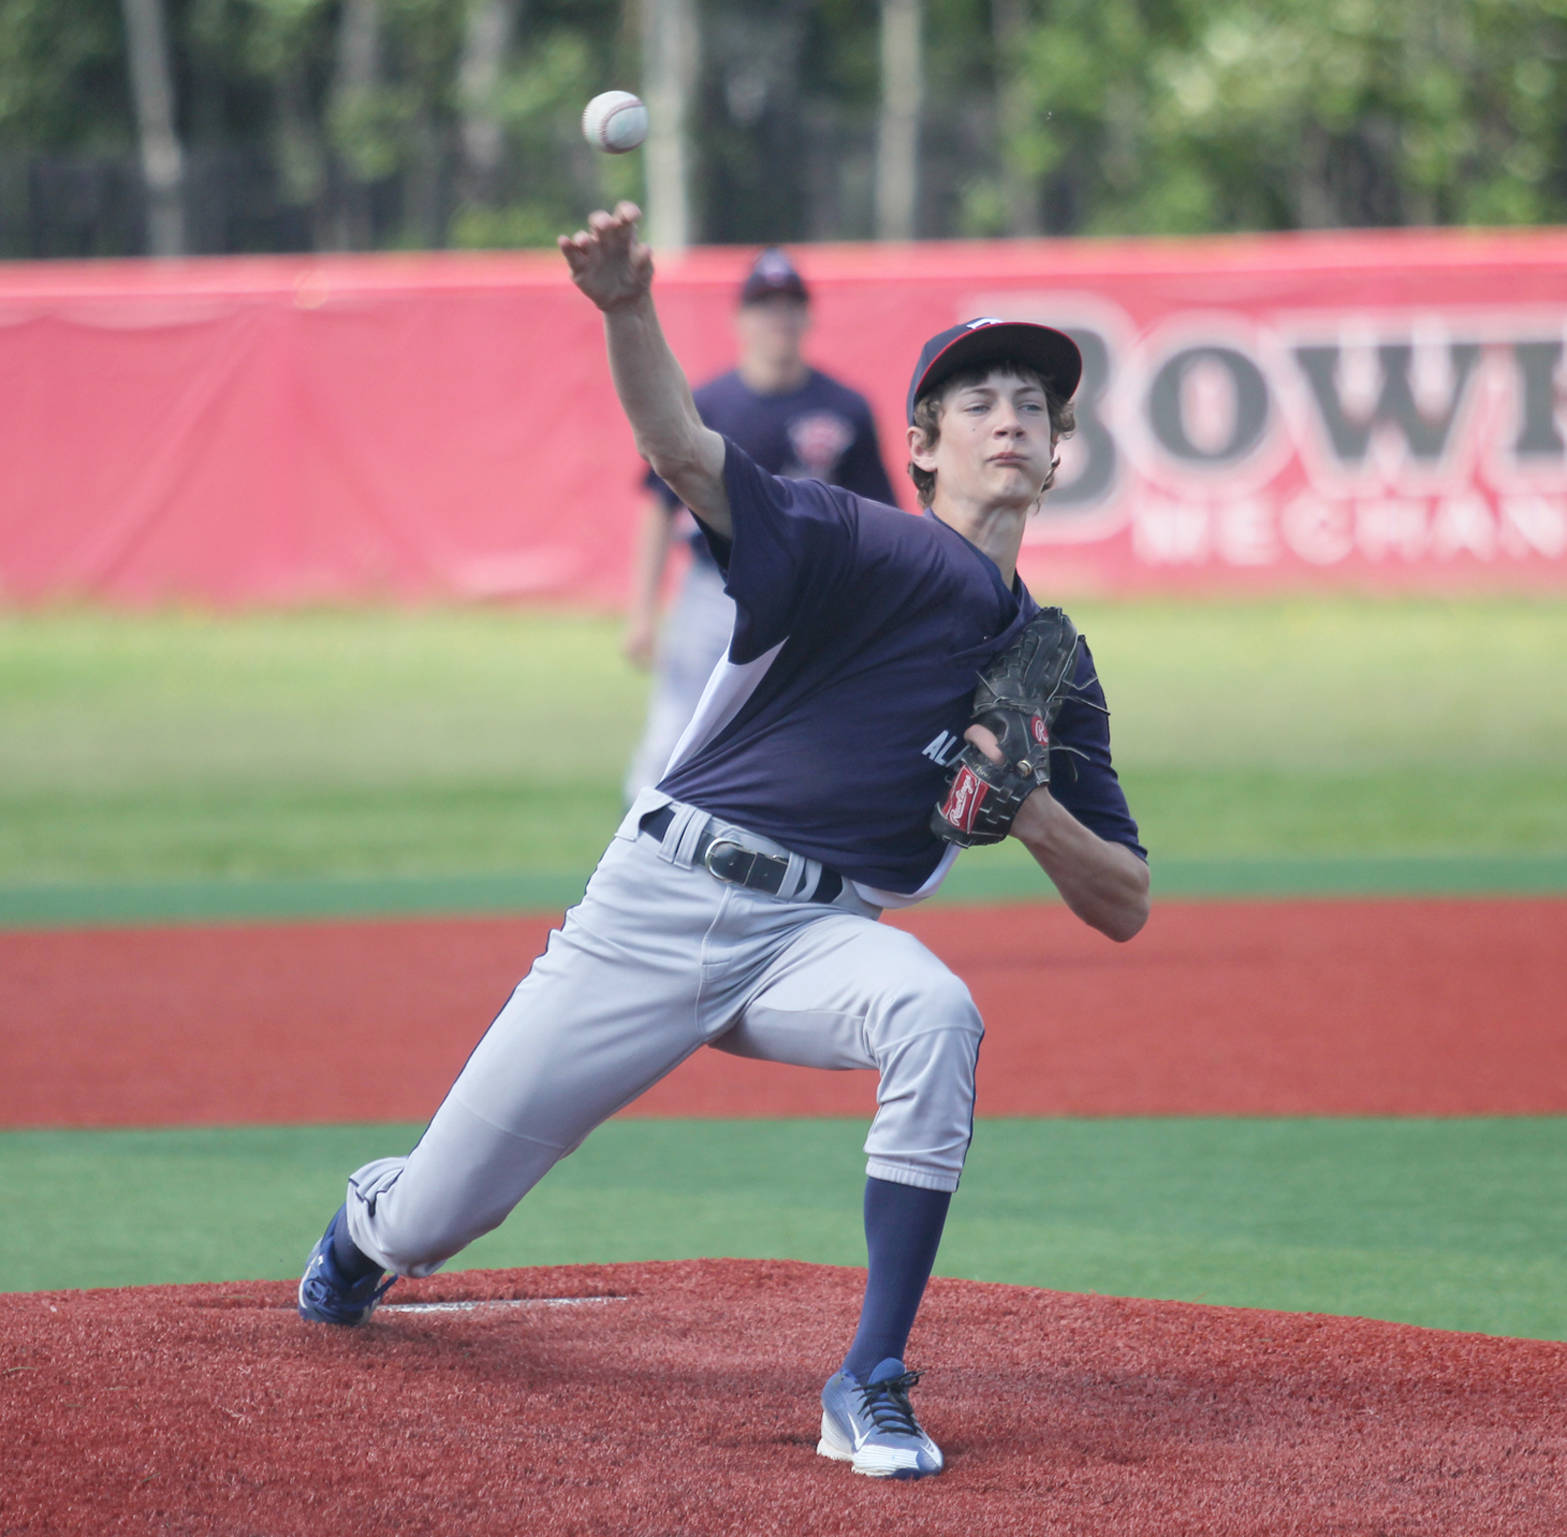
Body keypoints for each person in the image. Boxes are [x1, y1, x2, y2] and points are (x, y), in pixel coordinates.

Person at [298, 203, 1150, 1482]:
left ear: (1062, 450)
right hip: (655, 905)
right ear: (918, 444)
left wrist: (1025, 805)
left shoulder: (1047, 665)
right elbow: (686, 453)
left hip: (815, 937)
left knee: (934, 1014)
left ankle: (867, 1379)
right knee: (437, 1216)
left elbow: (1125, 901)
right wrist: (628, 308)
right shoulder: (856, 542)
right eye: (976, 400)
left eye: (1034, 401)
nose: (1011, 416)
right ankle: (368, 1231)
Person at [621, 245, 899, 800]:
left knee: (811, 746)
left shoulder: (844, 407)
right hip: (712, 594)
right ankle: (635, 866)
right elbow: (659, 506)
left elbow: (881, 521)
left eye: (790, 303)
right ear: (739, 318)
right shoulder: (707, 405)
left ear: (808, 315)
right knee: (673, 740)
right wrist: (642, 613)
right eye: (764, 304)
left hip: (810, 603)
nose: (779, 316)